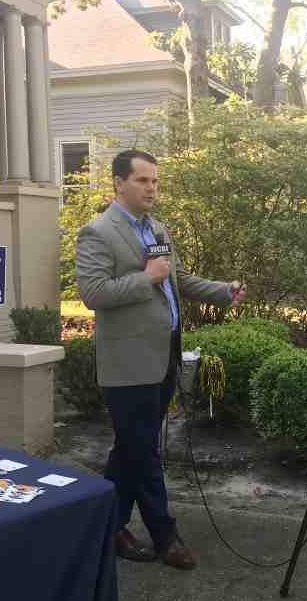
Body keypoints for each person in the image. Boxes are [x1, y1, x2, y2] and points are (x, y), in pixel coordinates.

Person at [76, 149, 248, 570]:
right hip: (127, 365)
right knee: (145, 454)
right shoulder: (97, 232)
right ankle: (164, 535)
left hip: (163, 357)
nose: (152, 188)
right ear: (119, 182)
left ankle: (107, 527)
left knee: (131, 452)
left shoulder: (158, 228)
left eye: (154, 181)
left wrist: (223, 290)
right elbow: (93, 294)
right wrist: (145, 278)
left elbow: (179, 281)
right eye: (142, 180)